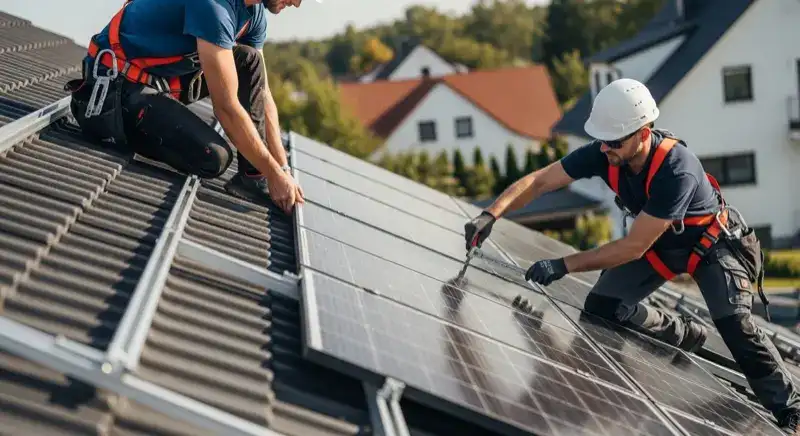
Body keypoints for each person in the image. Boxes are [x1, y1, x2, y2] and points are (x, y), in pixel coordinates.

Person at [464, 78, 800, 431]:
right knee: (601, 308)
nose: (606, 148)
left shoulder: (676, 168)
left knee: (734, 322)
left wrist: (564, 265)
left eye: (615, 141)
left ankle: (789, 407)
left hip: (711, 248)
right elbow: (540, 181)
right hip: (662, 247)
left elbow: (631, 247)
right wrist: (491, 213)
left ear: (643, 132)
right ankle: (683, 333)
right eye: (603, 140)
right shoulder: (604, 152)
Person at [63, 0, 311, 214]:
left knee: (249, 60)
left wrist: (281, 168)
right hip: (110, 92)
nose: (297, 3)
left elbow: (262, 93)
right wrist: (274, 174)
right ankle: (129, 123)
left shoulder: (252, 12)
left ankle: (252, 179)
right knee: (213, 158)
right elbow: (226, 108)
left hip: (156, 80)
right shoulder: (213, 6)